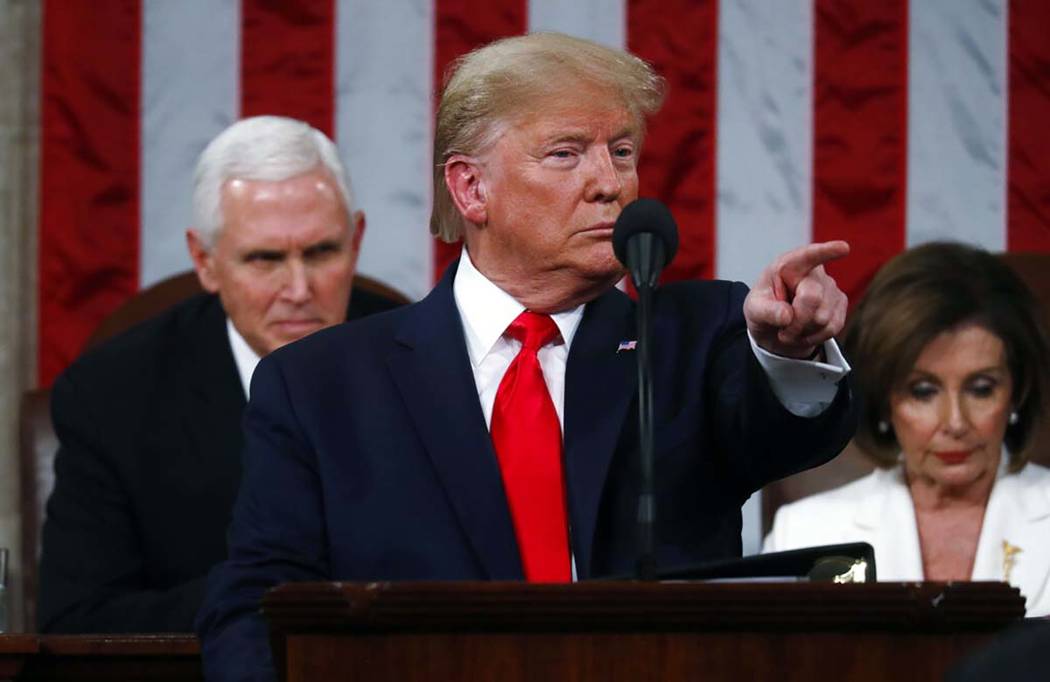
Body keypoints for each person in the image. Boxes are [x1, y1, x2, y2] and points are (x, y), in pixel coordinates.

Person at [197, 33, 856, 680]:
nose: (610, 183)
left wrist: (787, 350)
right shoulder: (321, 386)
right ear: (471, 189)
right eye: (566, 154)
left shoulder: (694, 337)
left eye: (621, 151)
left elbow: (782, 435)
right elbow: (256, 605)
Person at [38, 115, 402, 633]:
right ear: (204, 261)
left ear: (356, 240)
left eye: (321, 252)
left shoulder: (420, 356)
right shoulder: (111, 396)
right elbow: (76, 621)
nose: (298, 289)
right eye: (265, 259)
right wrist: (274, 593)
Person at [764, 242, 1050, 616]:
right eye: (923, 391)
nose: (955, 423)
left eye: (981, 389)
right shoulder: (804, 535)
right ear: (885, 400)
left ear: (1017, 393)